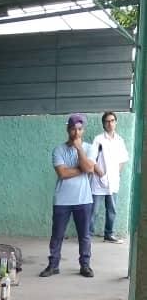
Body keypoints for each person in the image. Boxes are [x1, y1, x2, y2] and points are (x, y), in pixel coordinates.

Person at [40, 113, 104, 278]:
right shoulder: (58, 150)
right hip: (62, 200)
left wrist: (79, 149)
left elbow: (90, 169)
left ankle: (85, 265)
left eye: (80, 129)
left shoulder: (89, 148)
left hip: (84, 200)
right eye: (74, 129)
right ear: (68, 129)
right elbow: (62, 173)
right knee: (57, 235)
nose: (76, 132)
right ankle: (53, 265)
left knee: (84, 235)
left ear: (83, 130)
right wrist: (83, 168)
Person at [90, 111, 129, 243]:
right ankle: (88, 235)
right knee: (93, 210)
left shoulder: (119, 140)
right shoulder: (98, 139)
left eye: (112, 120)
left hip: (113, 182)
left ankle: (109, 234)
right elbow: (91, 160)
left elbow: (122, 159)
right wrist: (102, 175)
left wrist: (116, 174)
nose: (110, 123)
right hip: (99, 181)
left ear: (116, 122)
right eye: (107, 121)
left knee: (112, 210)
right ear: (103, 124)